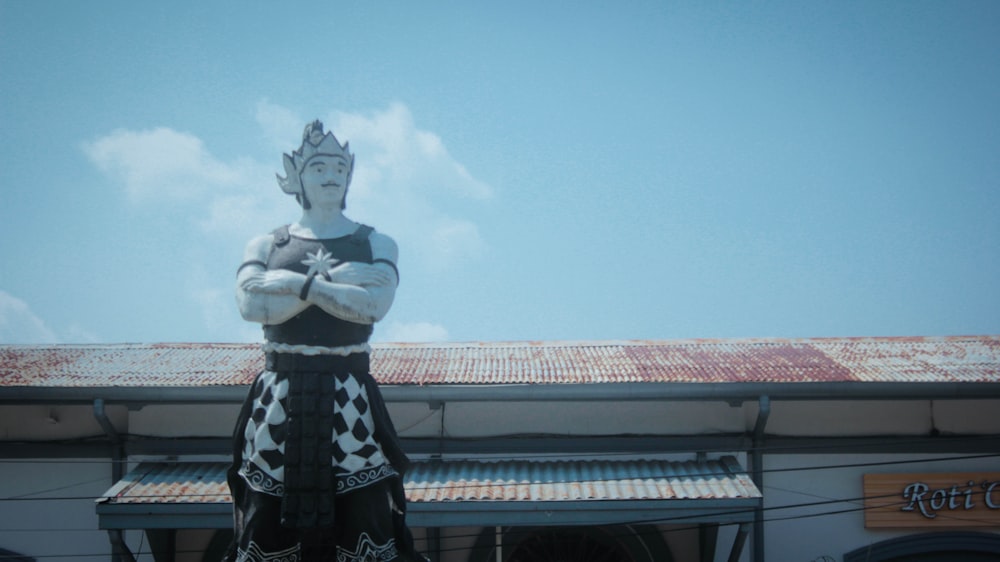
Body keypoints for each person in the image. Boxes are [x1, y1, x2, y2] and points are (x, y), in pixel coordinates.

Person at [225, 120, 425, 562]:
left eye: (339, 166)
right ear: (296, 176)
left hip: (348, 395)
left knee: (365, 515)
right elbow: (250, 306)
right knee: (266, 521)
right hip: (278, 398)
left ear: (350, 174)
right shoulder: (264, 242)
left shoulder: (376, 242)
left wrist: (296, 285)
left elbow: (372, 306)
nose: (330, 174)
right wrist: (330, 283)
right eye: (318, 166)